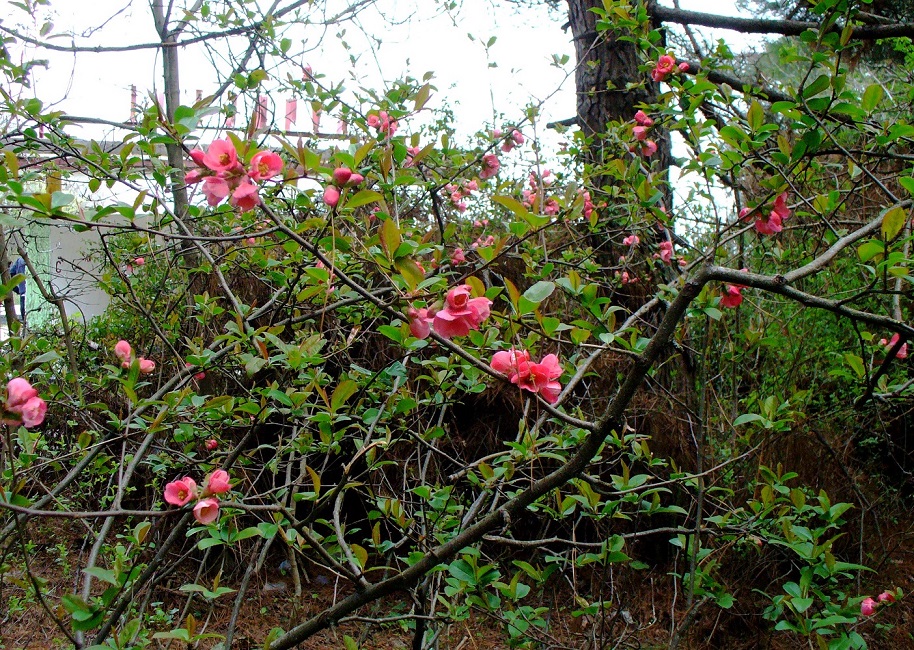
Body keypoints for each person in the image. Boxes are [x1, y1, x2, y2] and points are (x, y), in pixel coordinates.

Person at [10, 257, 26, 326]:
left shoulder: (20, 260)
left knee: (24, 319)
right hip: (25, 293)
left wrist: (16, 289)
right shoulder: (21, 260)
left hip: (23, 293)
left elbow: (11, 274)